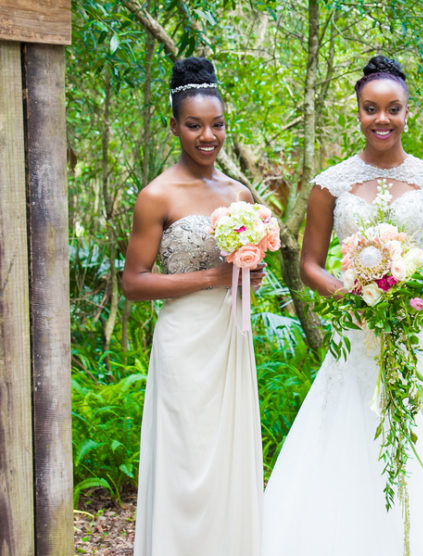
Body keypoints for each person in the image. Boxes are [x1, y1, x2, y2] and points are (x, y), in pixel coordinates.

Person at [261, 55, 423, 556]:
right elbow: (310, 265)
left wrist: (412, 291)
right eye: (371, 109)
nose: (382, 119)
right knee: (352, 434)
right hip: (356, 331)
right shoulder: (331, 184)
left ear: (407, 112)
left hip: (417, 327)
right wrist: (352, 295)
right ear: (357, 112)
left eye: (393, 109)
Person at [123, 57, 265, 556]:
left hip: (229, 335)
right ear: (174, 126)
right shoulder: (156, 195)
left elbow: (242, 278)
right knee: (185, 455)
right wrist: (213, 275)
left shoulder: (239, 193)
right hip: (184, 340)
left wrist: (250, 273)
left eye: (217, 124)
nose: (208, 136)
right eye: (194, 125)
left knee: (226, 454)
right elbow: (133, 283)